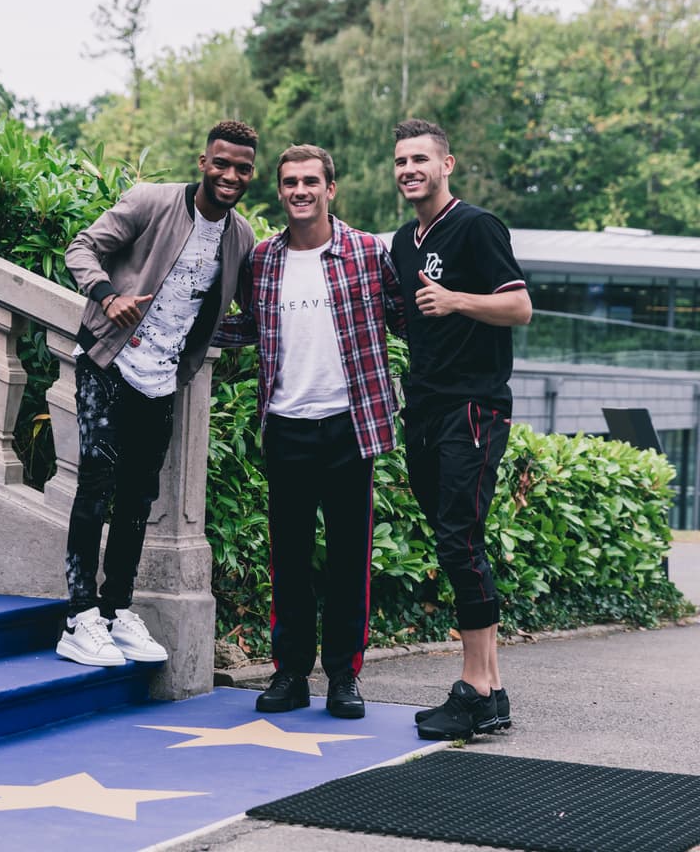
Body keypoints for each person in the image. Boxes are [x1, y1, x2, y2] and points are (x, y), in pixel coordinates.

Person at [56, 120, 258, 667]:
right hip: (108, 359)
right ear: (203, 161)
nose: (230, 175)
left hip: (163, 375)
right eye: (222, 163)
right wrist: (108, 295)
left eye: (242, 168)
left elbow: (231, 310)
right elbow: (81, 249)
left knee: (139, 497)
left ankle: (116, 609)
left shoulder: (240, 238)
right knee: (96, 480)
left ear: (250, 174)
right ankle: (78, 617)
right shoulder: (152, 201)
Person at [216, 144, 405, 718]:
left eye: (310, 182)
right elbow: (245, 325)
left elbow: (407, 316)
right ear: (281, 191)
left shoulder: (369, 252)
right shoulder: (264, 259)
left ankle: (344, 677)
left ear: (331, 189)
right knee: (290, 558)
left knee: (350, 557)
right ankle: (290, 674)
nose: (300, 190)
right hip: (285, 425)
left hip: (350, 428)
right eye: (290, 182)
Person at [389, 118, 532, 741]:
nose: (409, 169)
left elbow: (520, 306)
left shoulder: (476, 227)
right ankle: (491, 692)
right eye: (401, 161)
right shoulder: (402, 240)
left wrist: (456, 300)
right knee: (455, 539)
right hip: (422, 408)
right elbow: (406, 319)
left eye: (421, 158)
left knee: (459, 540)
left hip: (472, 406)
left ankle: (474, 687)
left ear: (448, 165)